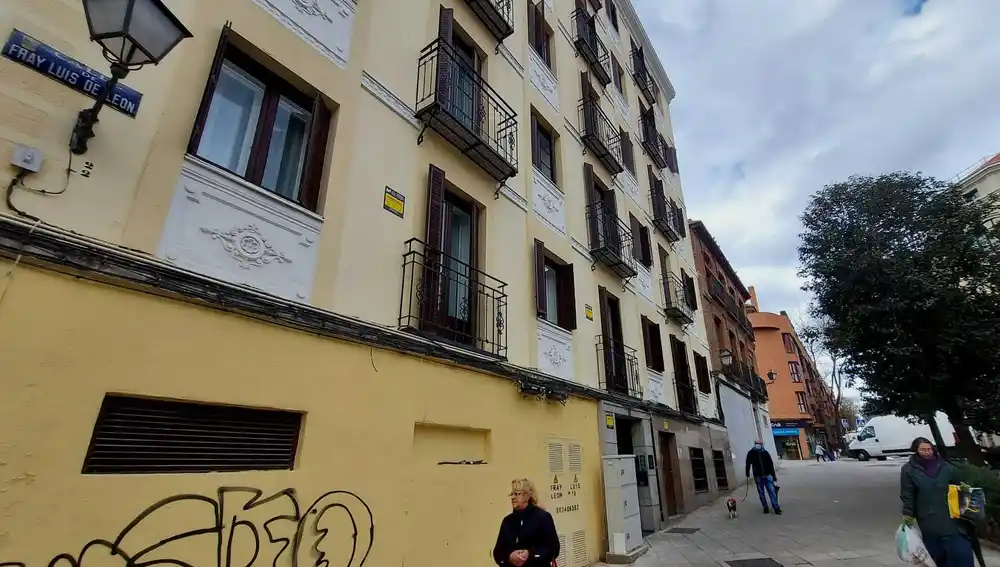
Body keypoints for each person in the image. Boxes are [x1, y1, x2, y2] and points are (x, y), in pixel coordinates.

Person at [900, 437, 975, 567]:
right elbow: (907, 494)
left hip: (951, 515)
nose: (927, 452)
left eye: (929, 449)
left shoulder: (945, 467)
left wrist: (964, 489)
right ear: (915, 451)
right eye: (923, 449)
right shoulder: (908, 470)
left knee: (959, 550)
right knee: (936, 551)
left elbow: (958, 485)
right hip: (927, 516)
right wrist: (908, 514)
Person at [493, 478, 560, 567]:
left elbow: (553, 549)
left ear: (527, 496)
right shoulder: (507, 521)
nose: (513, 497)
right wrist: (509, 557)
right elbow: (498, 552)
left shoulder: (543, 517)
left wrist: (530, 554)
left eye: (517, 494)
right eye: (512, 494)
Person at [745, 440, 782, 515]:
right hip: (758, 476)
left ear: (761, 445)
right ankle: (765, 507)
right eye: (757, 444)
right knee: (761, 493)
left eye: (759, 444)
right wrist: (747, 473)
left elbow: (771, 465)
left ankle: (776, 508)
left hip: (768, 475)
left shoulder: (765, 453)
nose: (758, 445)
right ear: (755, 444)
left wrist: (774, 476)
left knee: (772, 492)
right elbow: (748, 463)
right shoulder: (751, 453)